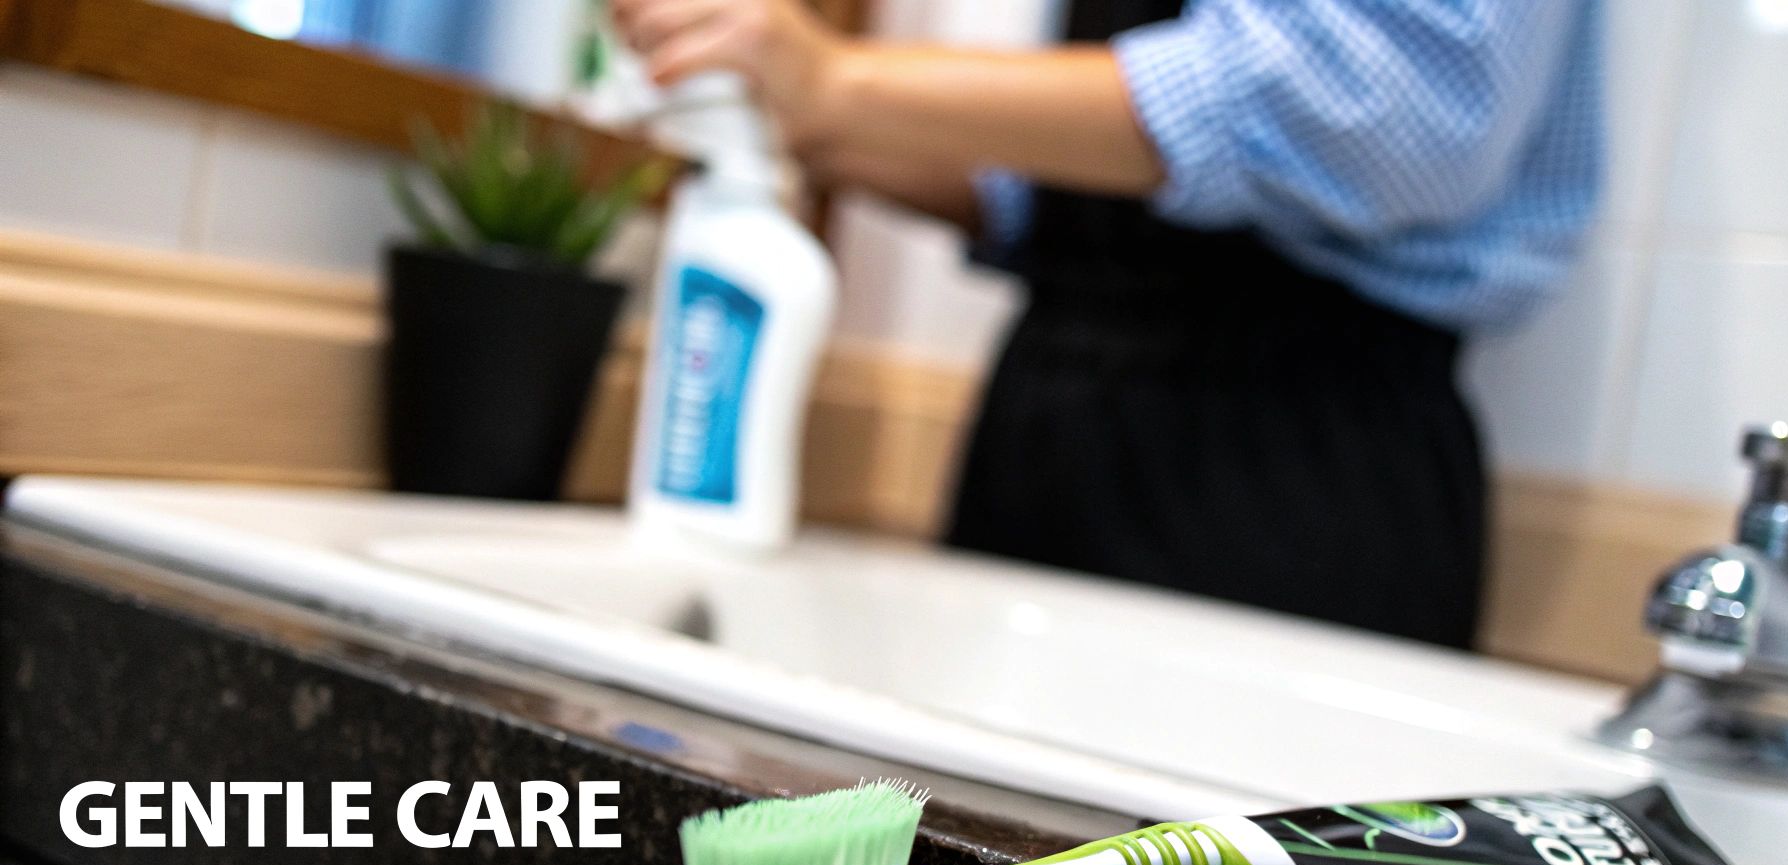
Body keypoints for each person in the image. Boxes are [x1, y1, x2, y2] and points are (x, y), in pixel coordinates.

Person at [611, 0, 1603, 650]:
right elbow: (1094, 185)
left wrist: (841, 86)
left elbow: (1398, 110)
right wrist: (803, 116)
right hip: (1043, 427)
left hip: (1289, 475)